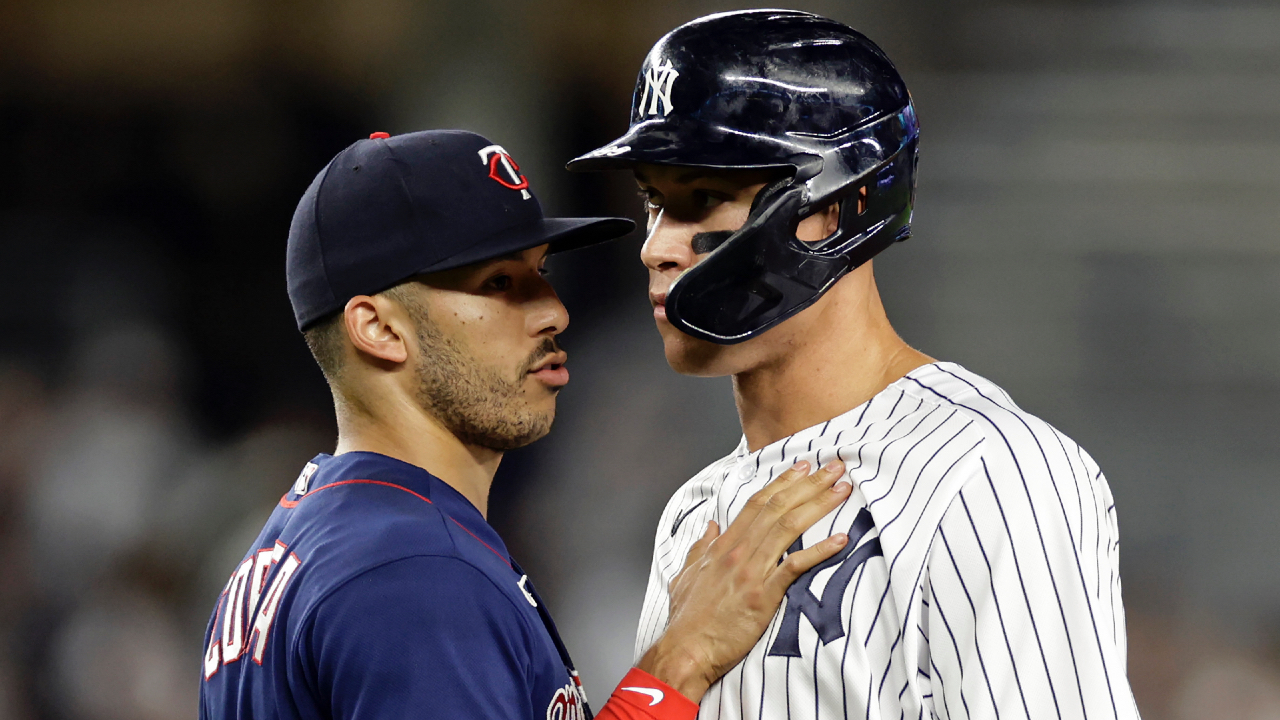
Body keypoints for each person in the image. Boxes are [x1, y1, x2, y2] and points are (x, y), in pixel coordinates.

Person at [568, 10, 1140, 719]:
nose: (657, 247)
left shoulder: (990, 472)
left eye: (702, 199)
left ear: (837, 206)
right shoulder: (694, 512)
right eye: (655, 203)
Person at [197, 128, 859, 720]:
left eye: (541, 272)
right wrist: (680, 663)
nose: (553, 312)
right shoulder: (410, 573)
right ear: (378, 328)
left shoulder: (312, 536)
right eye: (498, 284)